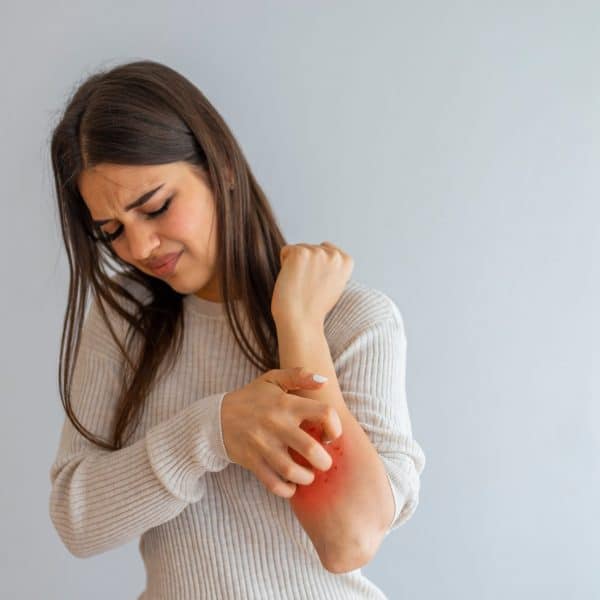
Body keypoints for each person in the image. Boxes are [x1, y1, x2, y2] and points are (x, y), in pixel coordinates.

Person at [48, 59, 426, 600]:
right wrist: (213, 430)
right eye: (112, 231)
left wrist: (297, 323)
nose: (138, 248)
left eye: (155, 207)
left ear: (221, 165)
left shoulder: (352, 321)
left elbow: (348, 539)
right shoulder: (122, 322)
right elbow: (76, 520)